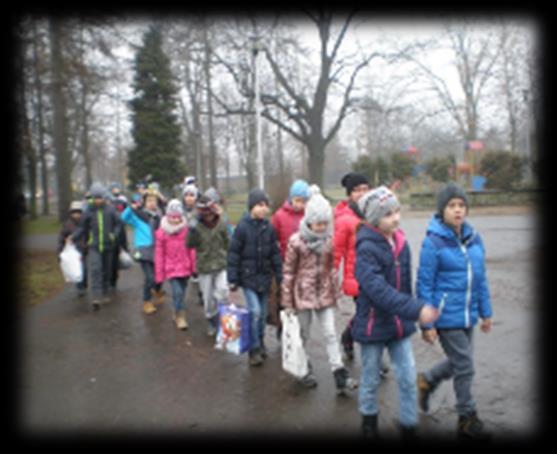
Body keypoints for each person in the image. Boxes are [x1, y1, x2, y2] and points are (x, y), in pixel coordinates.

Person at [353, 186, 438, 438]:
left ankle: (409, 423)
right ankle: (369, 422)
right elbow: (379, 292)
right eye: (388, 214)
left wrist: (423, 323)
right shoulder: (366, 249)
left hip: (399, 324)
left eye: (397, 211)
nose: (396, 218)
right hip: (373, 325)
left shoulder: (401, 243)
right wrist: (417, 310)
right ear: (374, 219)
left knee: (408, 375)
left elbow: (406, 286)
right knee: (370, 378)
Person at [416, 182, 493, 440]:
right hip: (445, 316)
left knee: (459, 363)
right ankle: (466, 417)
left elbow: (480, 279)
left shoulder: (474, 238)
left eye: (461, 205)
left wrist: (486, 312)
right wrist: (427, 324)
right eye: (452, 206)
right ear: (442, 210)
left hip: (468, 314)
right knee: (465, 365)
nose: (458, 210)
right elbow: (424, 284)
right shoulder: (433, 242)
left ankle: (427, 379)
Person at [281, 185, 357, 393]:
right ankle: (303, 367)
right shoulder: (296, 242)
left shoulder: (329, 242)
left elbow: (332, 269)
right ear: (309, 221)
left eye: (325, 223)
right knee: (303, 335)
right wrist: (287, 302)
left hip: (324, 295)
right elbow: (288, 273)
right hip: (302, 296)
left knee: (331, 334)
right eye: (318, 223)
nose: (322, 227)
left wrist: (335, 292)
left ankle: (339, 373)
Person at [227, 188, 282, 366]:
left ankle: (260, 342)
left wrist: (279, 274)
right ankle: (254, 348)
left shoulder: (269, 228)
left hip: (265, 278)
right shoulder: (242, 228)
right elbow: (234, 253)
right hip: (249, 278)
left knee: (263, 313)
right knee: (255, 312)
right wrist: (233, 278)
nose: (263, 209)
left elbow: (274, 253)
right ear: (251, 207)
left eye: (266, 205)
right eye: (260, 205)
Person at [333, 172, 370, 361]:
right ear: (349, 195)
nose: (362, 193)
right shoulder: (344, 219)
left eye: (365, 189)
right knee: (367, 314)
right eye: (357, 190)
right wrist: (330, 275)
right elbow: (336, 251)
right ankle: (373, 357)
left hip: (376, 275)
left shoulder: (375, 213)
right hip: (356, 277)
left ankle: (348, 335)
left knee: (370, 313)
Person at [71, 182, 121, 311]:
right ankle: (96, 297)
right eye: (95, 198)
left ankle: (105, 292)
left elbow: (118, 224)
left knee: (106, 270)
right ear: (92, 198)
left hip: (108, 245)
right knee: (95, 269)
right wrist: (73, 237)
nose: (98, 200)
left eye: (100, 198)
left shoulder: (110, 210)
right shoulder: (88, 211)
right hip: (94, 246)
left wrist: (113, 235)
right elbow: (82, 227)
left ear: (104, 197)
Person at [186, 191, 229, 336]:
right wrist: (191, 231)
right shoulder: (197, 226)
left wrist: (231, 258)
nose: (209, 217)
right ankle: (211, 319)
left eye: (210, 213)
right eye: (205, 215)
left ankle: (222, 317)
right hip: (205, 267)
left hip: (221, 263)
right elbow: (189, 245)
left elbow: (227, 242)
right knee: (208, 299)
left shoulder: (221, 223)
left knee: (222, 291)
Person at [121, 188, 165, 315]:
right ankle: (146, 301)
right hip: (144, 251)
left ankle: (157, 290)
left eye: (154, 201)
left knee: (159, 276)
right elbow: (123, 218)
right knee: (150, 278)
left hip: (158, 250)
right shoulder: (139, 217)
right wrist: (131, 207)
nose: (152, 203)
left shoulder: (160, 217)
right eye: (149, 200)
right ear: (144, 202)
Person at [155, 199, 196, 331]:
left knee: (182, 292)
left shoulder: (186, 231)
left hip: (185, 267)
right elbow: (159, 254)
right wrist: (159, 273)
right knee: (177, 292)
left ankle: (176, 308)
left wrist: (194, 266)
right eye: (173, 217)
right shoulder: (162, 233)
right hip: (171, 268)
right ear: (167, 216)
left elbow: (191, 250)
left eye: (178, 217)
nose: (175, 220)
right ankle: (180, 315)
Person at [271, 179, 310, 260]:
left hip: (305, 261)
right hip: (285, 259)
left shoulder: (309, 215)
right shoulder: (279, 216)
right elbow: (272, 239)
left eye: (303, 201)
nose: (300, 204)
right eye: (297, 200)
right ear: (291, 198)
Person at [58, 200, 88, 297]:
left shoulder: (84, 224)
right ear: (71, 213)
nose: (76, 215)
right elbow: (62, 238)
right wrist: (60, 251)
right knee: (77, 269)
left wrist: (88, 245)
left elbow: (88, 235)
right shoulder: (67, 225)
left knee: (84, 269)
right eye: (74, 213)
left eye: (78, 212)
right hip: (73, 251)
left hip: (83, 250)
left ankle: (84, 284)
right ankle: (80, 288)